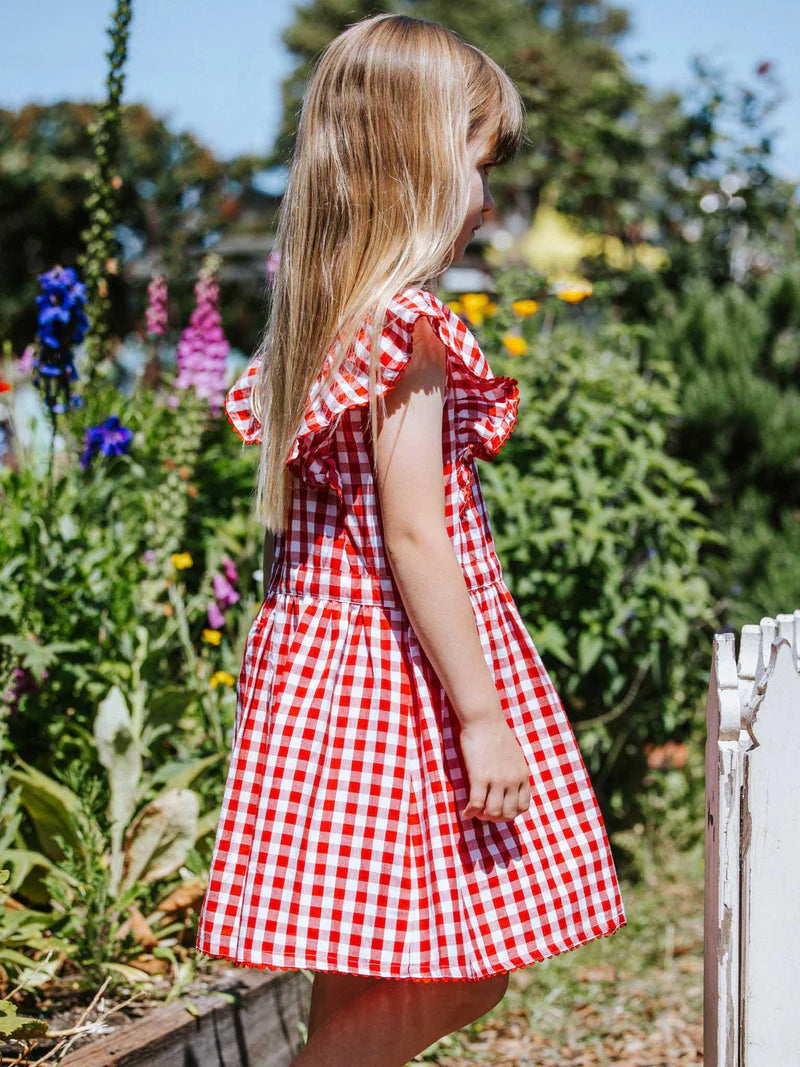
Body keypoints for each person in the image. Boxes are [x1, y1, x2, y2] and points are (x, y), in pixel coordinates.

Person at [195, 13, 626, 1065]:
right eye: (479, 167)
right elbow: (414, 533)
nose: (488, 199)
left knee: (369, 951)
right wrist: (482, 716)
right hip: (398, 676)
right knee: (466, 962)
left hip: (332, 669)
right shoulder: (406, 327)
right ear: (418, 167)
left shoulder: (328, 316)